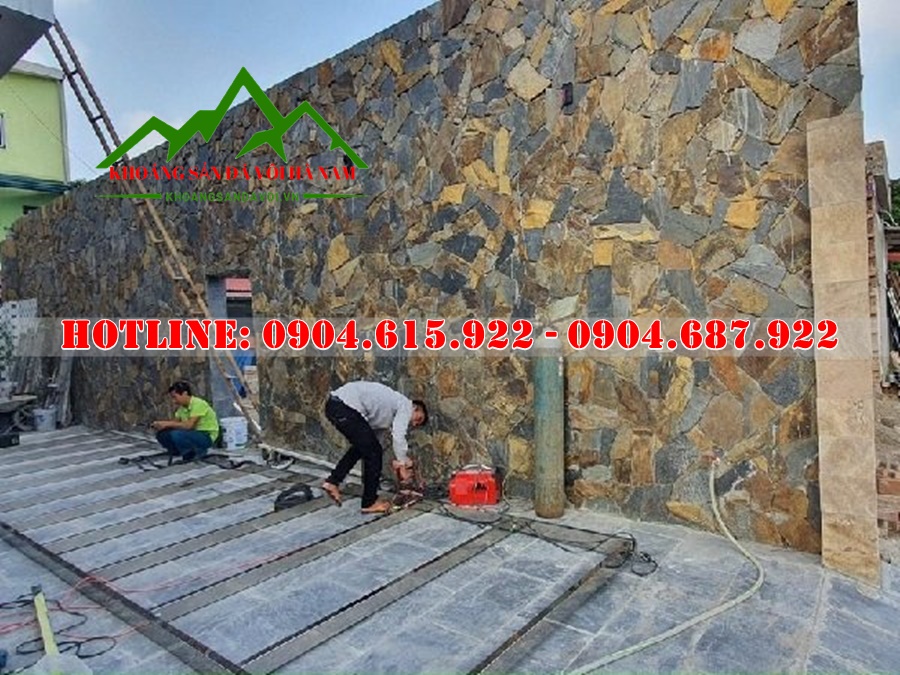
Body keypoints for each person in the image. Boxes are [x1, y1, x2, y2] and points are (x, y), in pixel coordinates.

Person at [321, 380, 428, 514]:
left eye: (418, 424)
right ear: (415, 407)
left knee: (362, 449)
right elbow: (398, 436)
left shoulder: (386, 416)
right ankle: (369, 502)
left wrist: (400, 462)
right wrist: (402, 463)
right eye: (419, 418)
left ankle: (332, 482)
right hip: (345, 406)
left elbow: (374, 442)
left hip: (335, 406)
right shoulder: (405, 405)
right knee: (373, 453)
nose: (415, 424)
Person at [151, 381, 220, 461]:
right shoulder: (181, 409)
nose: (174, 401)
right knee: (163, 434)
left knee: (177, 434)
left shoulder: (198, 404)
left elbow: (189, 426)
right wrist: (161, 426)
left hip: (205, 435)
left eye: (175, 397)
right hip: (191, 434)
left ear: (184, 394)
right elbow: (174, 423)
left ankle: (195, 452)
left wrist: (167, 424)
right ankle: (178, 451)